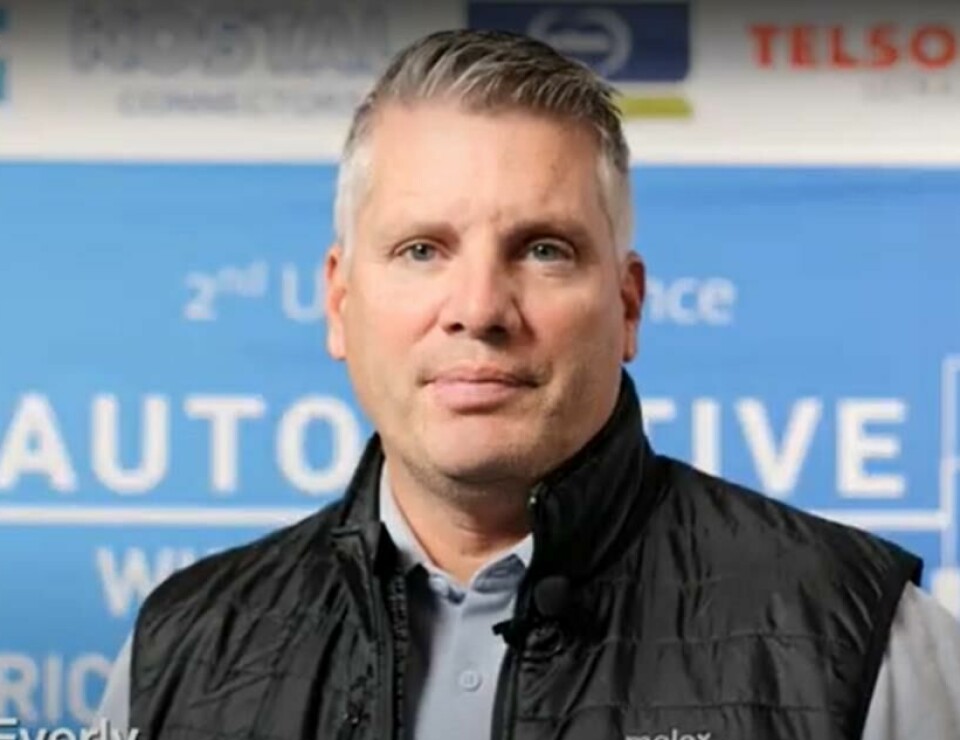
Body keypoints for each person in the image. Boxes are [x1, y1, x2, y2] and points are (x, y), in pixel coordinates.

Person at [95, 29, 960, 740]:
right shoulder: (176, 655)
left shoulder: (862, 646)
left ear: (627, 306)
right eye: (421, 250)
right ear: (339, 301)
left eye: (544, 250)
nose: (479, 309)